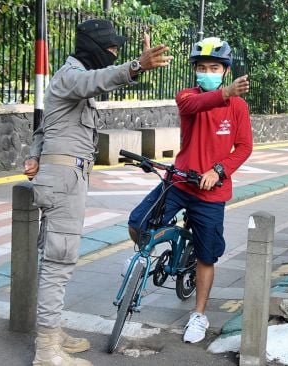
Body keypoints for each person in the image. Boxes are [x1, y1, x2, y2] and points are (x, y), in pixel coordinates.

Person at [24, 19, 172, 366]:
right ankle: (46, 350)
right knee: (59, 262)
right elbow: (95, 81)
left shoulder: (70, 78)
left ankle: (52, 332)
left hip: (62, 177)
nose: (115, 54)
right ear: (94, 45)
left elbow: (45, 127)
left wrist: (33, 156)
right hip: (64, 179)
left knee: (53, 258)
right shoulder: (73, 75)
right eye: (112, 49)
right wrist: (135, 66)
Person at [127, 36, 252, 344]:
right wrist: (224, 93)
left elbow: (244, 147)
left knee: (207, 258)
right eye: (201, 67)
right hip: (180, 180)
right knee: (137, 223)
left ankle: (198, 315)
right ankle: (170, 239)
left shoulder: (238, 107)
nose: (207, 72)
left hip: (212, 192)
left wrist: (218, 170)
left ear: (224, 71)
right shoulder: (187, 97)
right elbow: (198, 103)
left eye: (214, 67)